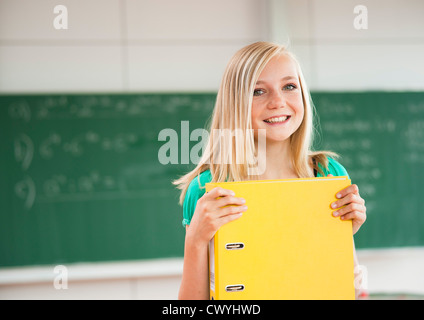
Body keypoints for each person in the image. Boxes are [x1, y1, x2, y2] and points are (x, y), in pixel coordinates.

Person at [173, 41, 367, 300]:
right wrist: (195, 240)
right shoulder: (209, 189)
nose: (278, 102)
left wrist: (341, 235)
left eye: (289, 87)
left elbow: (351, 290)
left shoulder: (327, 173)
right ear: (235, 104)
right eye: (258, 91)